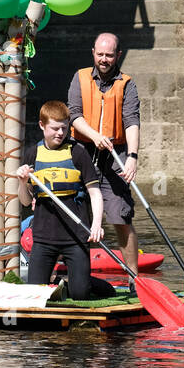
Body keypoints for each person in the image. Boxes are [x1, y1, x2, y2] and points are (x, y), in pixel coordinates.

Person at [17, 100, 110, 300]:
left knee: (80, 294)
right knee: (34, 294)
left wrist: (96, 224)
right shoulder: (33, 154)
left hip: (76, 236)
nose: (60, 133)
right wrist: (23, 182)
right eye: (55, 128)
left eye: (64, 128)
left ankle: (81, 282)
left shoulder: (78, 153)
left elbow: (94, 192)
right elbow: (25, 202)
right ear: (42, 125)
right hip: (43, 237)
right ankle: (62, 280)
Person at [68, 32, 141, 273]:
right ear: (93, 53)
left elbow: (131, 121)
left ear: (118, 55)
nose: (104, 59)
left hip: (114, 154)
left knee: (121, 217)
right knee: (75, 213)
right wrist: (94, 135)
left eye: (109, 55)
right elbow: (74, 115)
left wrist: (132, 157)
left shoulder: (127, 83)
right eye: (100, 54)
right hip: (82, 151)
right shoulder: (79, 77)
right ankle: (76, 273)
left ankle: (134, 278)